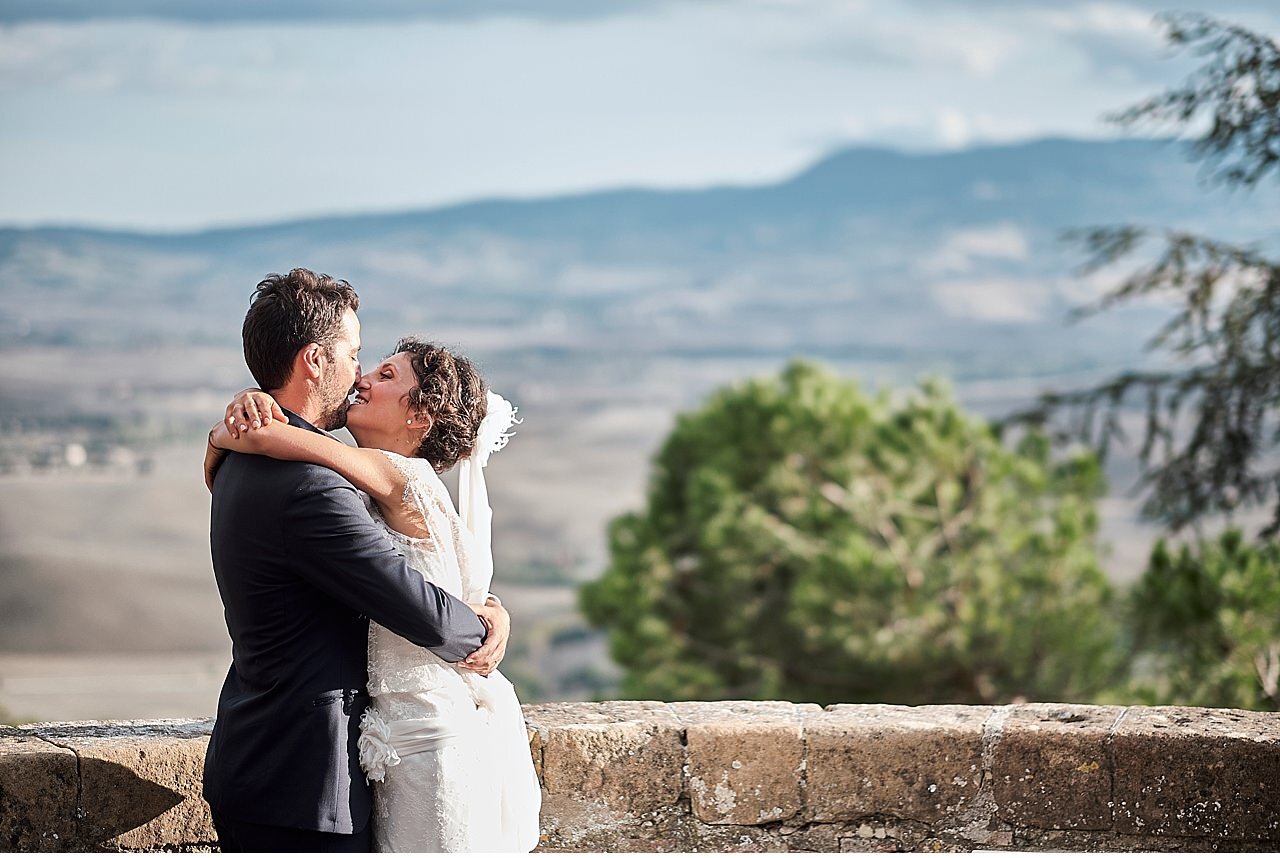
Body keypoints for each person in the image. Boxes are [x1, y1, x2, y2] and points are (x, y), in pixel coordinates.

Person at [201, 268, 511, 853]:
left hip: (279, 764)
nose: (359, 374)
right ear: (315, 361)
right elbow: (430, 617)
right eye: (354, 354)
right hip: (303, 784)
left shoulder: (252, 457)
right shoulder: (311, 489)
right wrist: (488, 624)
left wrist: (221, 435)